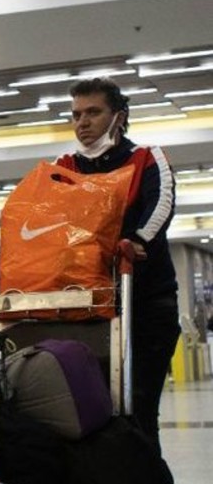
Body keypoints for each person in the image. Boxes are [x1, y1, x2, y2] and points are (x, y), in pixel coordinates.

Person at [58, 77, 178, 452]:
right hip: (86, 306)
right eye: (76, 115)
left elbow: (161, 205)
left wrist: (138, 240)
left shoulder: (146, 157)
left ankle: (146, 478)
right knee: (90, 409)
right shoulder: (64, 167)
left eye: (93, 112)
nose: (82, 122)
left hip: (147, 300)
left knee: (139, 407)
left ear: (119, 117)